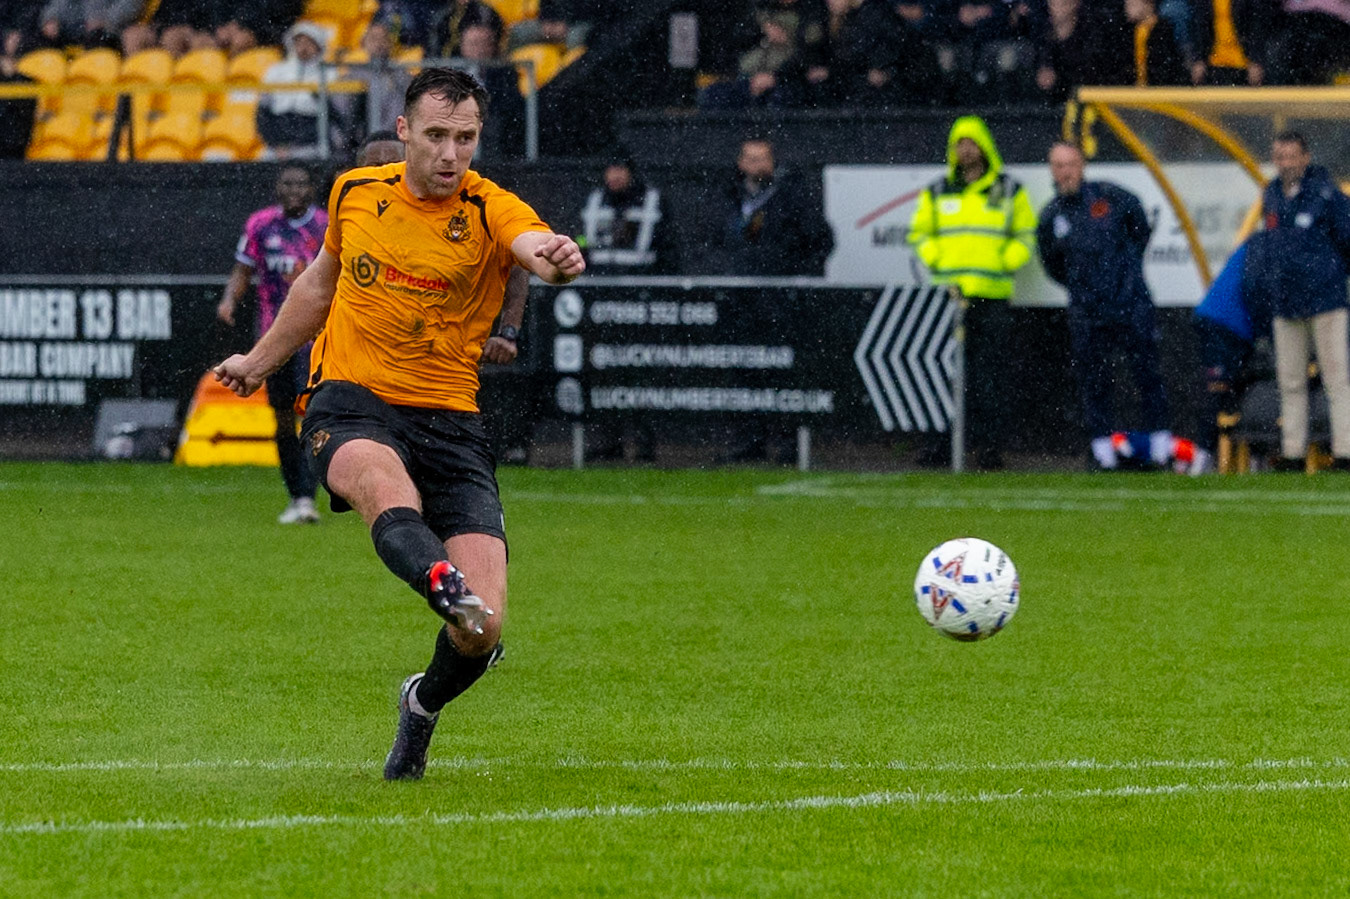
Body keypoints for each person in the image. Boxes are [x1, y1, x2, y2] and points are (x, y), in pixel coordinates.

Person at [213, 67, 585, 780]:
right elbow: (320, 283)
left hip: (450, 418)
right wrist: (260, 362)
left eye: (466, 138)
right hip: (350, 398)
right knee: (383, 486)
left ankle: (421, 702)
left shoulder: (488, 206)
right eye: (438, 136)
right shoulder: (356, 193)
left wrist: (557, 259)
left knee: (483, 629)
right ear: (405, 132)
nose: (452, 153)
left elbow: (531, 245)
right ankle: (437, 578)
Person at [907, 116, 1036, 470]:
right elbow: (919, 234)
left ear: (984, 145)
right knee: (940, 372)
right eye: (959, 143)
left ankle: (988, 449)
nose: (965, 150)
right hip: (947, 297)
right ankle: (940, 446)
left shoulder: (1009, 189)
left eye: (971, 142)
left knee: (989, 375)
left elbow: (1026, 236)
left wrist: (1002, 262)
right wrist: (939, 262)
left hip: (991, 295)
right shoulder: (937, 190)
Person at [1037, 142, 1171, 470]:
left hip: (1130, 303)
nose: (1064, 172)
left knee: (1147, 375)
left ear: (1082, 165)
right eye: (1057, 166)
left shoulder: (1111, 198)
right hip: (1087, 311)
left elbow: (1140, 229)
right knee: (1094, 382)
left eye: (1069, 164)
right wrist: (1083, 287)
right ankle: (1103, 453)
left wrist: (1124, 275)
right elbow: (1052, 264)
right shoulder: (1051, 215)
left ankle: (1159, 448)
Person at [216, 164, 327, 523]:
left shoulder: (326, 226)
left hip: (318, 339)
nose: (294, 190)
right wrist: (230, 299)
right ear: (277, 189)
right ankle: (297, 495)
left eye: (301, 183)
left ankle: (311, 494)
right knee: (280, 419)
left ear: (311, 189)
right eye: (287, 183)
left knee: (314, 416)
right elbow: (242, 269)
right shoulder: (261, 225)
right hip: (273, 336)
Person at [1255, 131, 1350, 470]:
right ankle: (1293, 452)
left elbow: (1347, 239)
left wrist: (1331, 277)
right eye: (1279, 157)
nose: (1284, 164)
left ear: (1305, 158)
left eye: (1290, 156)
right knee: (1290, 381)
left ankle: (1345, 452)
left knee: (1336, 379)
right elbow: (1270, 246)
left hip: (1325, 301)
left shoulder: (1325, 194)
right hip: (1286, 302)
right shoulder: (1271, 193)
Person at [716, 136, 834, 277]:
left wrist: (796, 272)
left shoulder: (792, 199)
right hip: (737, 282)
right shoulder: (728, 197)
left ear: (773, 162)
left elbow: (821, 240)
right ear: (741, 163)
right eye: (753, 160)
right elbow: (712, 241)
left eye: (764, 159)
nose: (759, 166)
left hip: (781, 284)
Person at [256, 21, 330, 160]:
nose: (303, 47)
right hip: (276, 140)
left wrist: (298, 144)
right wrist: (275, 143)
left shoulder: (329, 73)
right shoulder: (276, 71)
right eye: (299, 42)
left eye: (309, 42)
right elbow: (263, 111)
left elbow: (329, 116)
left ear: (319, 45)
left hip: (310, 143)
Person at [1189, 0, 1269, 86]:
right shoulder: (1203, 3)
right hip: (1213, 65)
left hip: (1243, 65)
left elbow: (1256, 28)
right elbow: (1199, 29)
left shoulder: (1248, 3)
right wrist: (1198, 60)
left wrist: (1256, 61)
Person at [1124, 0, 1188, 86]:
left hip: (1159, 91)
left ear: (1148, 4)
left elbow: (1167, 67)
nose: (1127, 9)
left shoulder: (1164, 30)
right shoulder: (1129, 32)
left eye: (1132, 4)